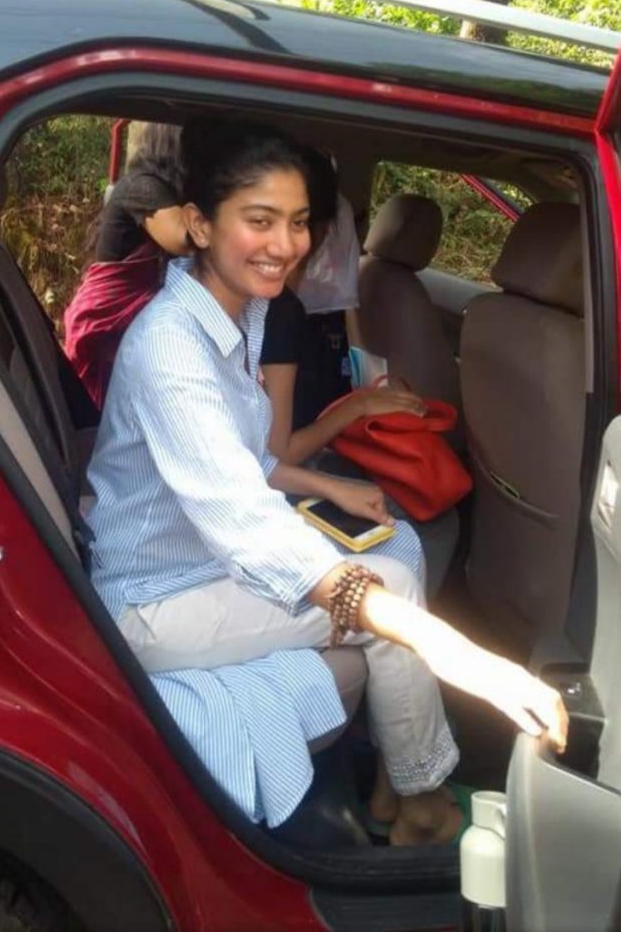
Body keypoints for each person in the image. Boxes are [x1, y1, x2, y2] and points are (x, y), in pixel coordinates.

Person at [86, 117, 567, 844]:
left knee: (394, 550)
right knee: (394, 586)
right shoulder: (171, 349)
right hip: (155, 602)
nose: (285, 245)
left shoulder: (232, 317)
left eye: (300, 222)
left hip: (198, 561)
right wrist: (467, 659)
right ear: (199, 225)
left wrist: (333, 492)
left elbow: (245, 461)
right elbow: (247, 522)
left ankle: (397, 792)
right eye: (259, 221)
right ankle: (420, 802)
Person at [262, 147, 425, 467]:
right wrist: (360, 404)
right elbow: (279, 456)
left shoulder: (258, 301)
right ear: (324, 231)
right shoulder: (280, 311)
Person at [63, 122, 187, 408]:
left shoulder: (159, 189)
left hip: (122, 321)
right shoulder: (142, 185)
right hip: (105, 322)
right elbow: (183, 238)